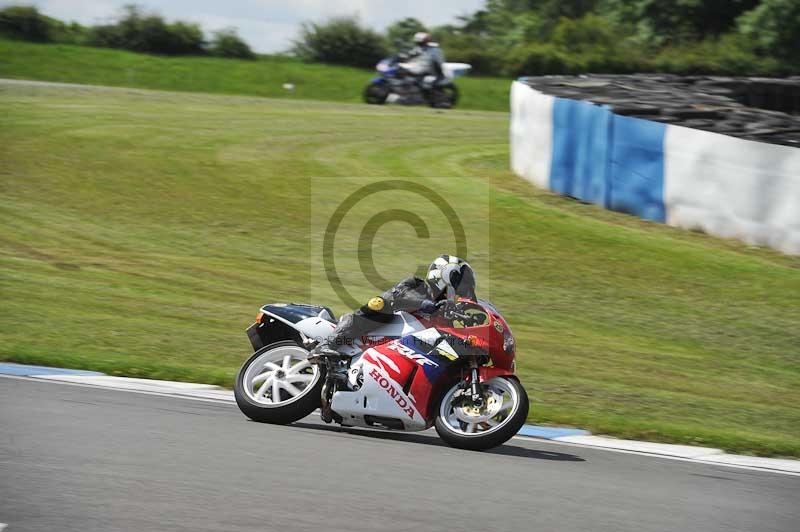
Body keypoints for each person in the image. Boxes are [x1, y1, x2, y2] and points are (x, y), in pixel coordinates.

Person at [308, 255, 476, 363]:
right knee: (379, 305)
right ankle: (328, 344)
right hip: (379, 329)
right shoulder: (417, 285)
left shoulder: (445, 311)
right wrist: (426, 304)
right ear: (444, 275)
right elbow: (400, 296)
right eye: (461, 282)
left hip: (402, 349)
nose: (463, 288)